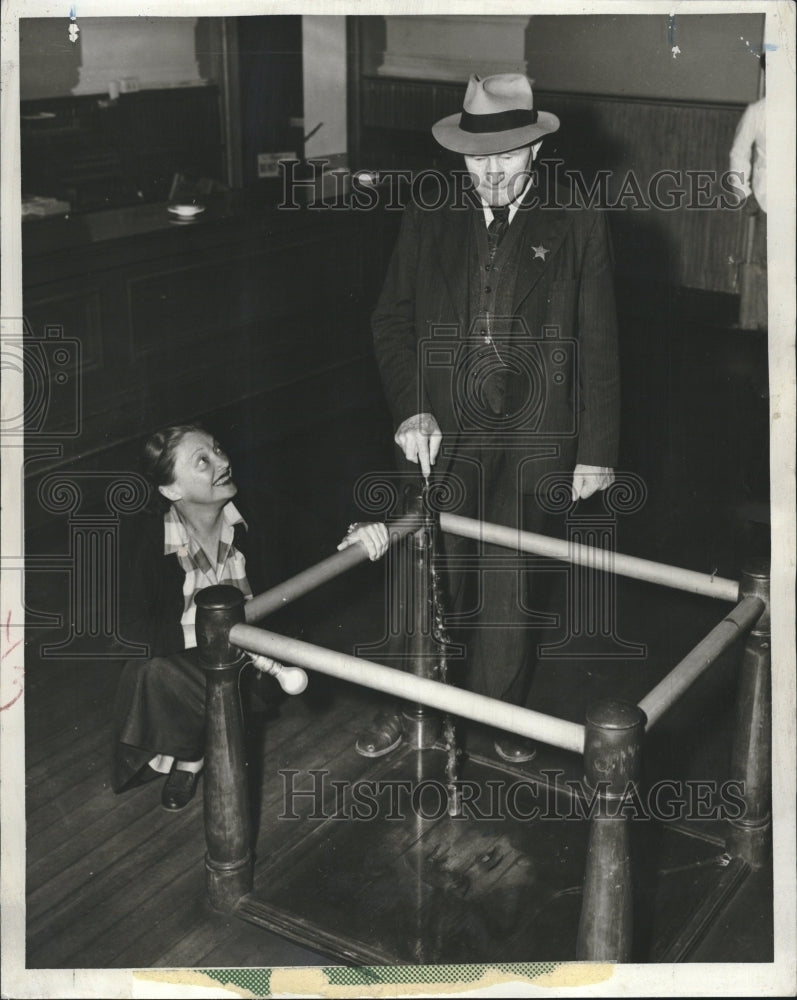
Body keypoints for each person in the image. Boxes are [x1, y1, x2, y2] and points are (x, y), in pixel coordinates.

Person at [360, 73, 620, 763]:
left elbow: (598, 338)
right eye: (477, 157)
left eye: (505, 155)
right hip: (437, 427)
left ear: (534, 149)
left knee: (512, 579)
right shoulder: (429, 208)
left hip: (534, 432)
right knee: (424, 569)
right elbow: (390, 319)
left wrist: (596, 449)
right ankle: (407, 702)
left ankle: (499, 714)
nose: (490, 170)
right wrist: (411, 408)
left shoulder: (577, 214)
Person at [112, 424, 388, 810]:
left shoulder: (259, 506)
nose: (223, 462)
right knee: (148, 671)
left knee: (172, 681)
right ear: (172, 490)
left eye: (218, 449)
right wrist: (209, 632)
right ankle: (193, 753)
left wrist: (358, 531)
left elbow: (325, 541)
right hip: (193, 657)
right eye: (203, 461)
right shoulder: (147, 538)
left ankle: (189, 755)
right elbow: (129, 632)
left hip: (260, 662)